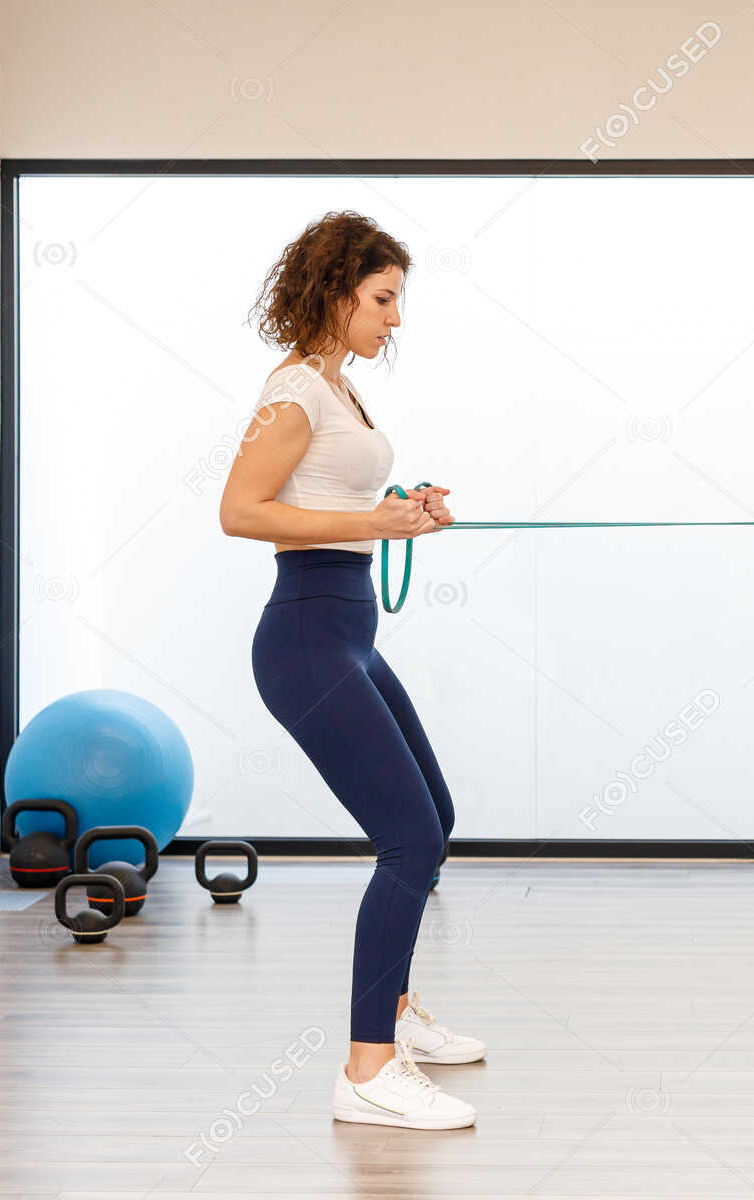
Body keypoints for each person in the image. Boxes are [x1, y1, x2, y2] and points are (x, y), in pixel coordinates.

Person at [220, 210, 485, 1130]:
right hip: (304, 639)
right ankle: (367, 1072)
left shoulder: (340, 389)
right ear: (336, 293)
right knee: (410, 840)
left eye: (397, 300)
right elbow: (240, 510)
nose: (394, 320)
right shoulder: (295, 388)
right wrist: (373, 523)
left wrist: (402, 507)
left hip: (346, 629)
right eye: (382, 299)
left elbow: (331, 497)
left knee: (435, 818)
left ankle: (397, 1016)